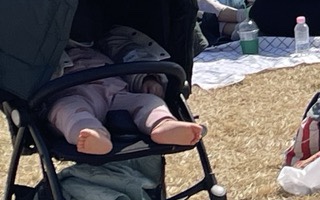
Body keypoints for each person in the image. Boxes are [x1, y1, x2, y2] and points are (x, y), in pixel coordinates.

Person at [47, 37, 204, 156]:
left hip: (116, 92)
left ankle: (162, 125)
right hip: (71, 94)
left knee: (149, 101)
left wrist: (148, 78)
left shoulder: (104, 41)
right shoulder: (42, 50)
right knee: (66, 110)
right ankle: (92, 134)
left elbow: (129, 53)